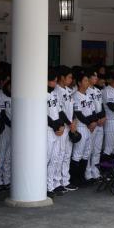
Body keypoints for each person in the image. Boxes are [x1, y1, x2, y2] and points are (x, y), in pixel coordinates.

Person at [46, 69, 66, 197]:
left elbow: (59, 112)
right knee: (46, 159)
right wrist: (55, 126)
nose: (54, 82)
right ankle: (43, 187)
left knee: (55, 158)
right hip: (47, 130)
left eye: (55, 80)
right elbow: (43, 114)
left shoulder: (53, 94)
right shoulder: (41, 93)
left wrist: (61, 126)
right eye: (52, 80)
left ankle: (50, 185)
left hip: (56, 130)